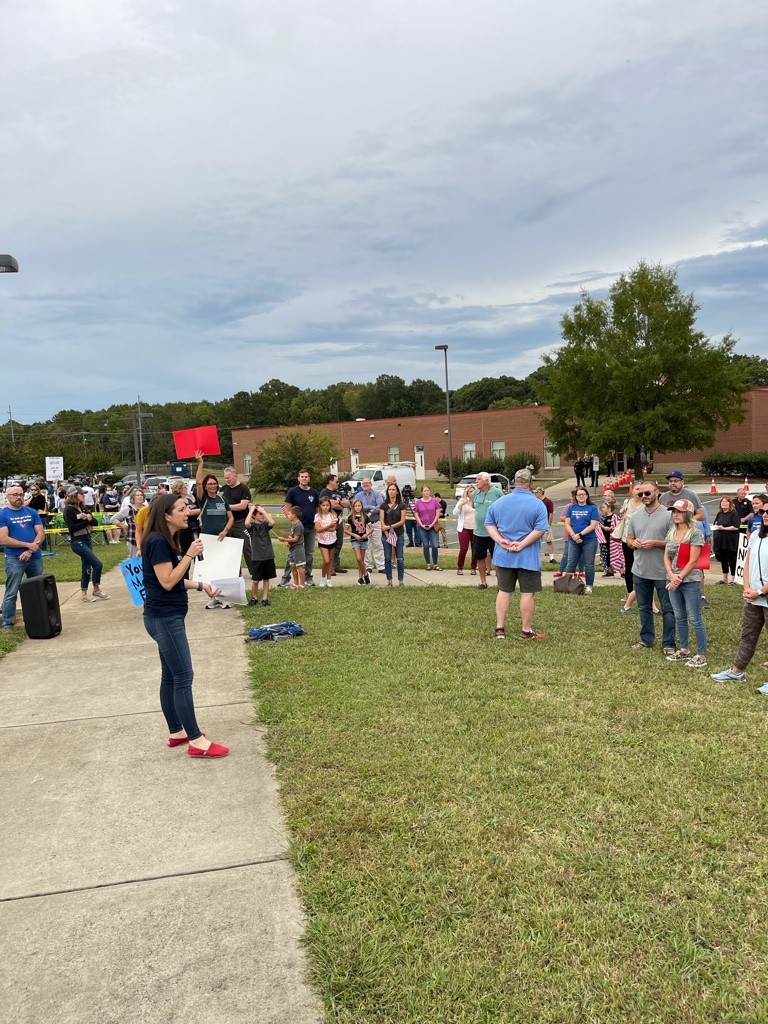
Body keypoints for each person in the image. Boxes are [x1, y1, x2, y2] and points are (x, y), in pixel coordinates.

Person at [142, 493, 228, 758]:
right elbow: (168, 581)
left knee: (170, 675)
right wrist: (189, 555)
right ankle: (195, 740)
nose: (188, 511)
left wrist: (201, 585)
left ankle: (177, 731)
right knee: (183, 677)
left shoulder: (164, 539)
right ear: (166, 515)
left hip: (164, 616)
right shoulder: (157, 542)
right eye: (181, 509)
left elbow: (169, 580)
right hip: (165, 618)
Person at [485, 469, 549, 640]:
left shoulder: (500, 502)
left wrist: (499, 540)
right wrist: (522, 544)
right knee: (527, 593)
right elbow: (541, 529)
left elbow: (489, 523)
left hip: (504, 555)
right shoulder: (537, 504)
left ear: (514, 482)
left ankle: (500, 628)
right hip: (528, 557)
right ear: (530, 484)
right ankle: (526, 631)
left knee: (504, 590)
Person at [711, 504, 768, 695]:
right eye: (763, 512)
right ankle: (736, 672)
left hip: (762, 594)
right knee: (748, 635)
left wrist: (759, 591)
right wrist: (746, 589)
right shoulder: (756, 537)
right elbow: (747, 563)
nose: (765, 515)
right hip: (753, 596)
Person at [625, 481, 676, 654]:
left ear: (657, 492)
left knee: (668, 609)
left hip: (663, 571)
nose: (644, 497)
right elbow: (629, 539)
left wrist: (655, 543)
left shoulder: (669, 515)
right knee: (644, 607)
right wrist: (634, 543)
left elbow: (675, 543)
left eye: (647, 493)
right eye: (640, 494)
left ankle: (668, 643)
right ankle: (646, 639)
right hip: (640, 570)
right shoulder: (636, 516)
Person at [663, 499, 708, 668]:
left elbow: (693, 560)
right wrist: (670, 575)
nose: (676, 514)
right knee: (679, 616)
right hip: (672, 580)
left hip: (690, 581)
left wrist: (678, 577)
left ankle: (701, 654)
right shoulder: (671, 531)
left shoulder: (695, 533)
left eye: (679, 511)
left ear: (688, 514)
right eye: (674, 511)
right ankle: (684, 649)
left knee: (695, 618)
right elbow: (666, 556)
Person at [0, 484, 45, 630]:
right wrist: (27, 545)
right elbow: (3, 539)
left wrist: (30, 550)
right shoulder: (3, 515)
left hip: (34, 556)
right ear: (8, 497)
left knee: (37, 589)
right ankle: (7, 622)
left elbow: (40, 533)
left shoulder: (31, 512)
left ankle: (36, 618)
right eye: (15, 495)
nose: (19, 497)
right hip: (14, 558)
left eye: (21, 494)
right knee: (12, 590)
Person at [63, 490, 109, 603]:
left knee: (86, 567)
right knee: (98, 564)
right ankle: (96, 588)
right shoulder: (69, 509)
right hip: (77, 542)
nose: (84, 496)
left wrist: (89, 518)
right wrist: (84, 520)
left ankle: (84, 593)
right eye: (81, 494)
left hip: (87, 539)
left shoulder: (84, 508)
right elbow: (71, 527)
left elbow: (95, 522)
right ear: (74, 495)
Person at [278, 470, 319, 587]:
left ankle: (308, 577)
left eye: (306, 477)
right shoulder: (293, 492)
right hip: (297, 528)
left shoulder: (314, 493)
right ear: (298, 478)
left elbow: (317, 510)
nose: (304, 478)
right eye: (302, 477)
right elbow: (287, 509)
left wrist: (316, 522)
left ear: (309, 478)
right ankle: (286, 577)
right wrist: (292, 521)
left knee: (309, 553)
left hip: (310, 527)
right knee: (292, 553)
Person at [564, 486, 599, 594]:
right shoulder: (571, 508)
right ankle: (567, 585)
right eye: (579, 494)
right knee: (571, 563)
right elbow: (567, 524)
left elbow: (593, 525)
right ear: (576, 496)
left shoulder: (592, 508)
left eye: (583, 494)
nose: (581, 496)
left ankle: (589, 586)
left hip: (589, 540)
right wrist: (574, 536)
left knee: (589, 564)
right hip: (573, 540)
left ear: (587, 496)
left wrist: (580, 534)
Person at [471, 472, 503, 589]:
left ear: (486, 481)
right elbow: (475, 507)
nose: (476, 481)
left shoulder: (497, 493)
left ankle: (501, 583)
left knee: (498, 558)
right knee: (480, 557)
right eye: (476, 479)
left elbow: (504, 509)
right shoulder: (475, 493)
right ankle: (483, 582)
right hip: (479, 532)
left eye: (479, 479)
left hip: (494, 533)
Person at [194, 452, 234, 541]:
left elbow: (231, 518)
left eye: (215, 483)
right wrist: (201, 463)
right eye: (210, 484)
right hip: (208, 538)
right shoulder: (203, 499)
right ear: (205, 486)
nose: (213, 486)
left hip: (223, 537)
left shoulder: (223, 499)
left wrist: (225, 531)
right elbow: (199, 483)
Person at [244, 502, 276, 606]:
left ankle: (265, 598)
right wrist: (251, 510)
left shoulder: (265, 525)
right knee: (255, 580)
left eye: (262, 514)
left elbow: (272, 522)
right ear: (254, 515)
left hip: (268, 555)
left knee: (266, 579)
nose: (262, 515)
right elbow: (246, 523)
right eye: (260, 514)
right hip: (257, 557)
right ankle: (254, 597)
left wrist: (263, 511)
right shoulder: (252, 527)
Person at [318, 474, 349, 575]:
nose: (338, 483)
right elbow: (329, 504)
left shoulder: (339, 492)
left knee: (339, 542)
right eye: (337, 481)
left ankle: (336, 565)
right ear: (330, 481)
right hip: (328, 521)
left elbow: (347, 504)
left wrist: (337, 503)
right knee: (330, 543)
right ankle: (330, 567)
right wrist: (338, 503)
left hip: (338, 520)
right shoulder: (324, 492)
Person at [379, 482, 407, 587]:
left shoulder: (402, 505)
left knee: (400, 558)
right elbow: (381, 520)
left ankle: (401, 580)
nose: (391, 491)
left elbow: (402, 521)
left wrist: (390, 527)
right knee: (387, 558)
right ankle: (389, 581)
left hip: (398, 533)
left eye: (393, 489)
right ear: (387, 491)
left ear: (397, 492)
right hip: (386, 535)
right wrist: (386, 532)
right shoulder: (383, 505)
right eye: (390, 490)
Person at [221, 465, 251, 558]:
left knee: (246, 547)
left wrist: (227, 507)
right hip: (227, 523)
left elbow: (243, 506)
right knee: (231, 549)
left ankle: (254, 571)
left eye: (228, 478)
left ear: (235, 476)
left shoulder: (243, 488)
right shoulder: (222, 489)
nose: (227, 480)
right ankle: (236, 572)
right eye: (225, 478)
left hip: (240, 522)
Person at [357, 478, 385, 575]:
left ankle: (381, 566)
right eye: (363, 483)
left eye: (367, 483)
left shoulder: (377, 494)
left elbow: (380, 506)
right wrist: (371, 507)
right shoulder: (358, 495)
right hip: (363, 524)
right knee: (366, 545)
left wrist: (370, 510)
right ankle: (368, 566)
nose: (365, 485)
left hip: (375, 522)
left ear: (371, 484)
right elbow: (357, 507)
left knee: (378, 544)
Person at [712, 497, 741, 585]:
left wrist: (724, 528)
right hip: (720, 540)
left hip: (730, 540)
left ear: (730, 503)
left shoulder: (734, 513)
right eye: (722, 502)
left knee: (731, 559)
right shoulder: (719, 513)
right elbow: (715, 523)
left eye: (726, 502)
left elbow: (736, 526)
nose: (724, 503)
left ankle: (733, 578)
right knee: (723, 559)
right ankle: (724, 578)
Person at [344, 498, 373, 585]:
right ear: (353, 507)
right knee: (358, 558)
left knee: (362, 560)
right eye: (355, 506)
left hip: (363, 540)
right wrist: (354, 535)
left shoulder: (365, 517)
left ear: (362, 506)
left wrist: (366, 535)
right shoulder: (350, 517)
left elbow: (372, 528)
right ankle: (365, 574)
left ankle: (360, 578)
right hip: (355, 540)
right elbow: (345, 530)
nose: (357, 508)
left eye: (359, 506)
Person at [277, 506, 307, 589]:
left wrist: (284, 540)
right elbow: (291, 537)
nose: (288, 516)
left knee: (299, 566)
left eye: (289, 514)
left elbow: (296, 539)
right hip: (292, 548)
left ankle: (302, 584)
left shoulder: (298, 525)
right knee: (292, 566)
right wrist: (288, 543)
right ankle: (296, 583)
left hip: (298, 549)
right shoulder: (293, 525)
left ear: (294, 515)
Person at [113, 486, 146, 558]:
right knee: (135, 560)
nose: (140, 497)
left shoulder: (146, 508)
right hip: (133, 539)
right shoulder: (128, 509)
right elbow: (113, 519)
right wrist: (124, 526)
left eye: (141, 495)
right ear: (133, 498)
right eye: (137, 495)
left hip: (145, 538)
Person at [414, 485, 442, 571]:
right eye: (424, 491)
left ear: (430, 491)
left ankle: (435, 564)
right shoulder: (418, 502)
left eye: (428, 491)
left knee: (434, 545)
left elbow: (438, 513)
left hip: (433, 526)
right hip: (422, 526)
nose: (426, 492)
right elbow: (416, 514)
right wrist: (421, 524)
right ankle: (428, 564)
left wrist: (433, 523)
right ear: (422, 492)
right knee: (425, 545)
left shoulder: (434, 501)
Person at [314, 496, 338, 587]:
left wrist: (325, 527)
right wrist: (329, 525)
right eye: (323, 505)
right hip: (322, 541)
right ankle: (323, 577)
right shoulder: (317, 516)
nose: (325, 507)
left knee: (331, 560)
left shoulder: (333, 515)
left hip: (332, 539)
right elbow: (318, 529)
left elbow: (333, 528)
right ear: (320, 506)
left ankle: (329, 579)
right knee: (326, 561)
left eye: (327, 505)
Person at [453, 484, 478, 575]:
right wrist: (461, 505)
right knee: (464, 548)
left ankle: (473, 567)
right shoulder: (462, 501)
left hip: (475, 529)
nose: (472, 493)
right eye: (470, 491)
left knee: (475, 549)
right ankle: (460, 567)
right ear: (467, 493)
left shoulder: (477, 501)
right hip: (464, 528)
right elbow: (455, 512)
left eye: (474, 491)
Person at [533, 487, 556, 564]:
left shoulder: (548, 502)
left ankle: (552, 558)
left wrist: (548, 524)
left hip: (545, 524)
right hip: (536, 525)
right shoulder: (535, 501)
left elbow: (551, 513)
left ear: (541, 493)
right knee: (535, 541)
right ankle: (536, 558)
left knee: (549, 541)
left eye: (536, 492)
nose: (535, 494)